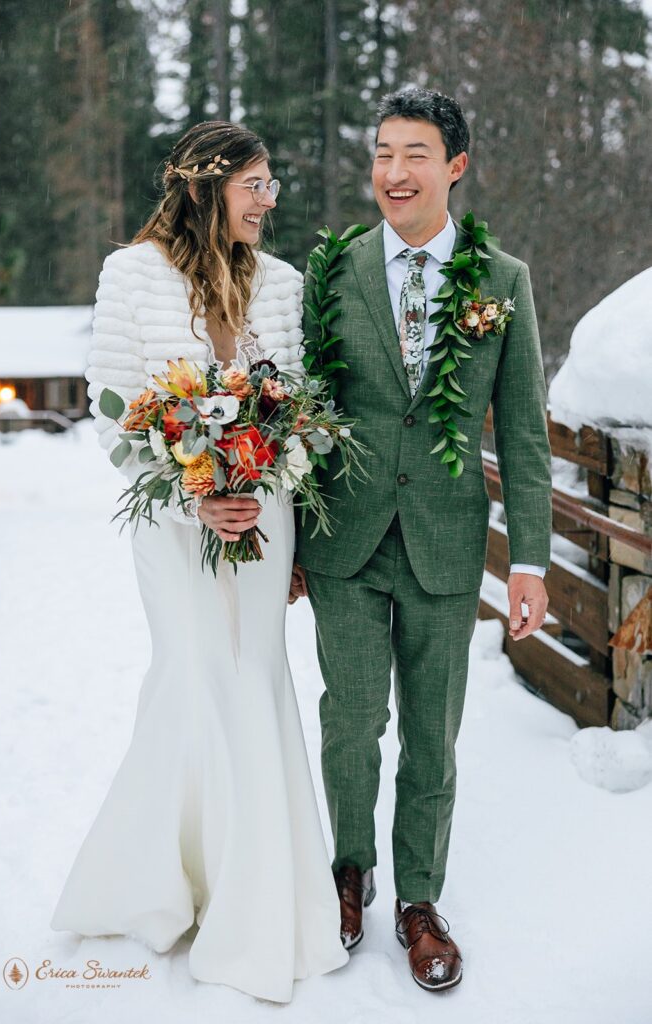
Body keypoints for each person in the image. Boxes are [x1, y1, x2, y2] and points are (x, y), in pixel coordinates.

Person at [50, 120, 348, 1003]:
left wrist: (272, 488)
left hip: (265, 519)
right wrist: (191, 495)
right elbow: (113, 413)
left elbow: (294, 410)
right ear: (204, 184)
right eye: (254, 183)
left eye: (272, 185)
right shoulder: (131, 273)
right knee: (193, 672)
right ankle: (165, 878)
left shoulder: (284, 284)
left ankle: (256, 893)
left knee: (252, 675)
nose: (269, 199)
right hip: (172, 528)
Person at [292, 87, 552, 992]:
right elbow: (303, 413)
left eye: (412, 155)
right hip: (345, 544)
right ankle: (348, 875)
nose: (392, 174)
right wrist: (288, 537)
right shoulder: (331, 272)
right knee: (351, 720)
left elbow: (521, 433)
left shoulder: (502, 281)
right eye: (379, 154)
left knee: (432, 739)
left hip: (445, 544)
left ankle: (418, 902)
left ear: (454, 166)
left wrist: (527, 560)